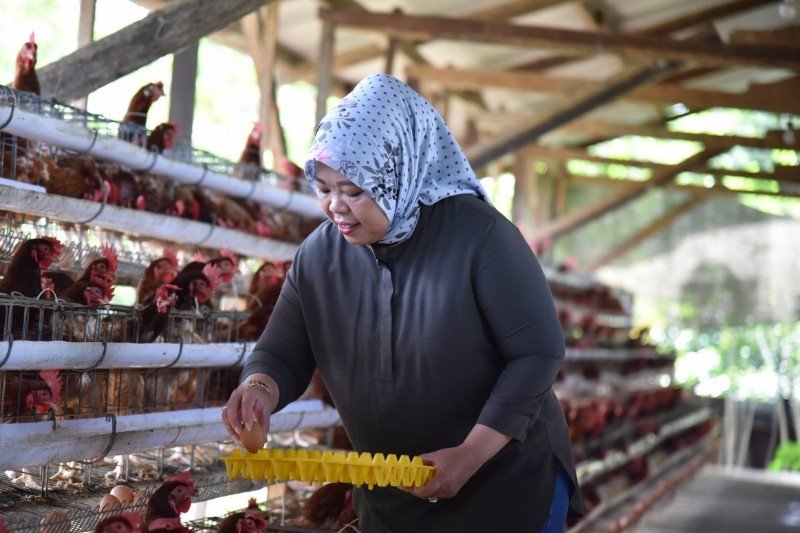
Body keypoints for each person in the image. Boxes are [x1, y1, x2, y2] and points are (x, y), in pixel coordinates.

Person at [222, 73, 582, 532]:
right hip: (394, 496)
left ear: (401, 171)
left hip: (505, 488)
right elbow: (281, 353)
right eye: (325, 186)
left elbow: (538, 352)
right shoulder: (319, 256)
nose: (335, 206)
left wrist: (469, 456)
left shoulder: (480, 237)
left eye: (354, 190)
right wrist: (259, 389)